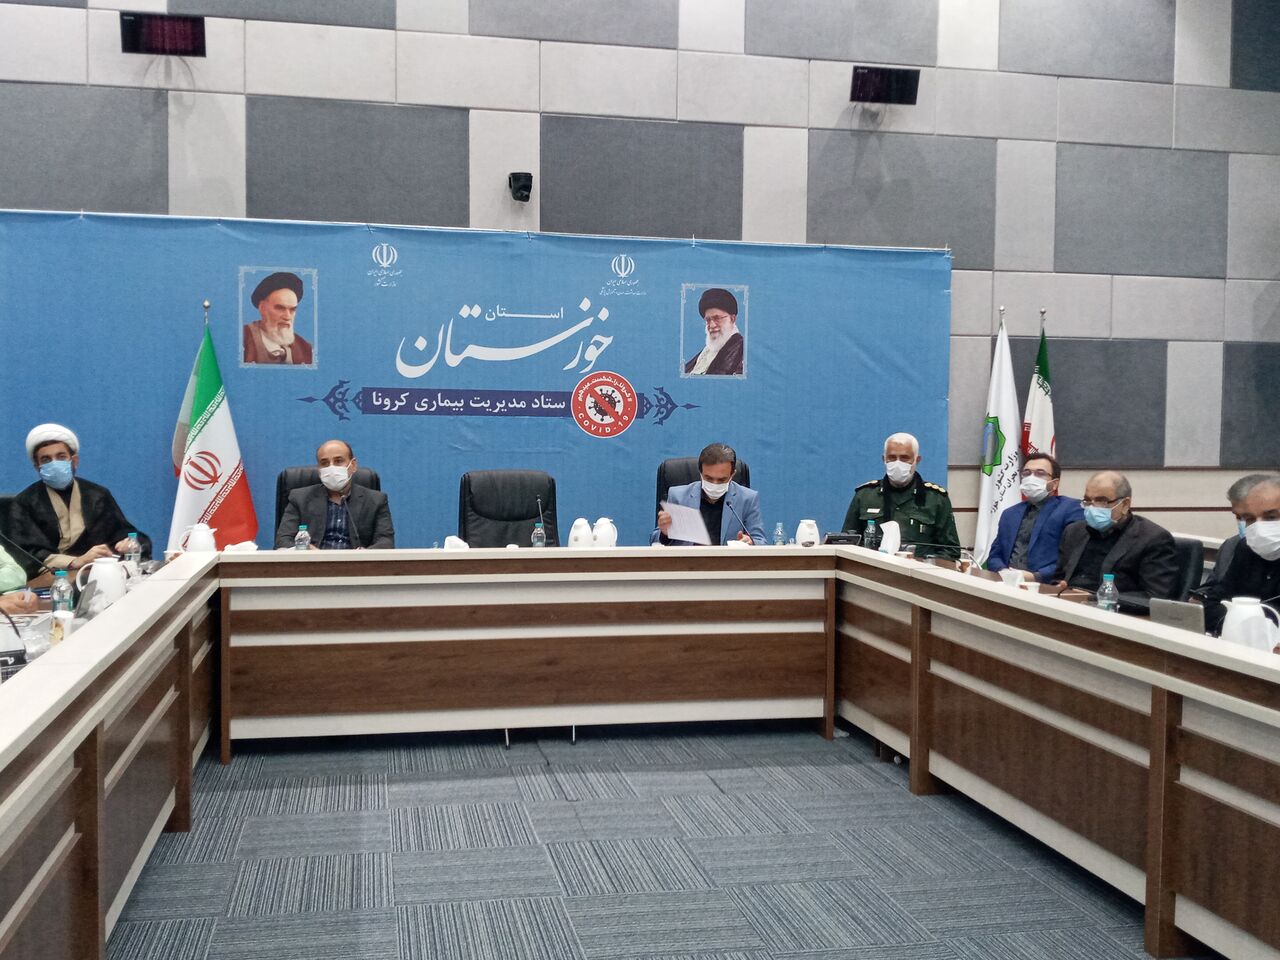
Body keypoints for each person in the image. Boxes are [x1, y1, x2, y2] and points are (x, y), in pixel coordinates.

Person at [8, 424, 152, 579]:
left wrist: (130, 544)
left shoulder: (97, 495)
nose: (54, 463)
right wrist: (75, 561)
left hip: (98, 574)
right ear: (37, 467)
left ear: (74, 461)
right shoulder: (25, 502)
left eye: (61, 457)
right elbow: (26, 555)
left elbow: (125, 534)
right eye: (46, 460)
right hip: (52, 580)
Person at [1050, 471, 1177, 614]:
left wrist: (1093, 598)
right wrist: (1060, 587)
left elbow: (1154, 598)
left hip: (1117, 616)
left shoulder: (1153, 538)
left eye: (1101, 501)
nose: (1092, 508)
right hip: (1068, 609)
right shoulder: (1074, 531)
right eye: (1087, 501)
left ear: (1125, 504)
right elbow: (1058, 578)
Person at [843, 432, 959, 559]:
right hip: (873, 568)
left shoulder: (936, 499)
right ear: (884, 459)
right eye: (892, 457)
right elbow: (847, 544)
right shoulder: (865, 496)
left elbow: (951, 551)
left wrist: (926, 564)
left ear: (917, 460)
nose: (897, 463)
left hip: (918, 569)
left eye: (904, 458)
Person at [274, 440, 395, 549]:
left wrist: (364, 555)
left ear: (353, 465)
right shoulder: (299, 498)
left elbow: (386, 541)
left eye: (338, 461)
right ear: (319, 469)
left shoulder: (376, 500)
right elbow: (283, 541)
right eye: (324, 463)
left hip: (356, 564)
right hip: (313, 563)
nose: (331, 468)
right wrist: (306, 549)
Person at [1202, 475, 1280, 637]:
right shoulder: (1245, 548)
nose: (1259, 527)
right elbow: (1212, 604)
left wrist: (1238, 621)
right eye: (1250, 519)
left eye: (1271, 517)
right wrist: (1243, 627)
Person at [986, 453, 1084, 582]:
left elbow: (1072, 558)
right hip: (1006, 583)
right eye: (1026, 473)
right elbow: (995, 555)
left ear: (1054, 484)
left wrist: (1035, 577)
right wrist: (1003, 571)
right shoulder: (1009, 514)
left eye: (1040, 473)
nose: (1031, 478)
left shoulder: (1070, 509)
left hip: (1045, 585)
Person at [652, 443, 766, 545]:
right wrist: (665, 533)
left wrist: (751, 542)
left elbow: (760, 541)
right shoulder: (678, 496)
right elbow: (654, 540)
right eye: (709, 478)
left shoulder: (747, 499)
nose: (714, 484)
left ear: (732, 475)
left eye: (722, 480)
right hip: (688, 561)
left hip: (728, 561)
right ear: (700, 472)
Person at [1196, 473, 1272, 601]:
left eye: (1249, 517)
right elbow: (1215, 587)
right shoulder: (1232, 545)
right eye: (1238, 517)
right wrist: (1199, 598)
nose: (1244, 523)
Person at [243, 271, 314, 365]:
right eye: (280, 308)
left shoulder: (306, 349)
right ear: (262, 308)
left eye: (292, 310)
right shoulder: (242, 338)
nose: (287, 317)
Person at [684, 288, 744, 376]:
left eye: (717, 318)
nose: (711, 325)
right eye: (708, 320)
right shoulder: (706, 352)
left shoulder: (742, 350)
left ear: (732, 319)